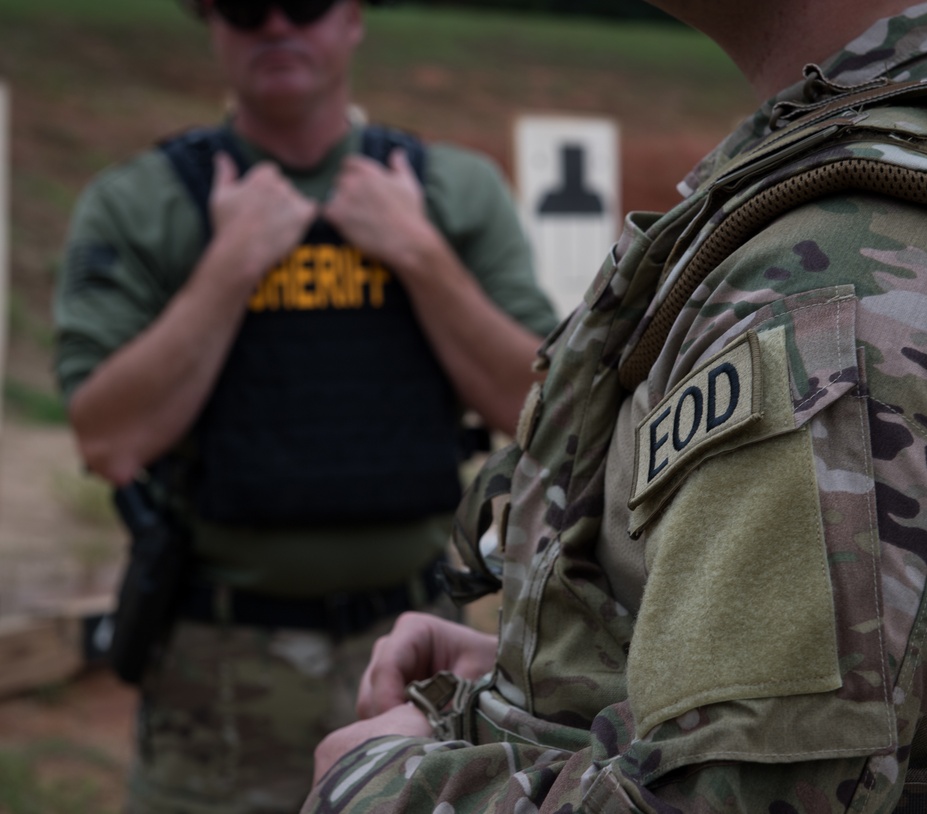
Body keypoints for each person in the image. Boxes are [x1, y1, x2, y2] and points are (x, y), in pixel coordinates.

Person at [302, 0, 927, 811]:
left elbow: (730, 798)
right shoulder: (881, 150)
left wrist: (376, 784)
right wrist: (556, 677)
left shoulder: (842, 270)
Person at [52, 0, 559, 811]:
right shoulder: (143, 204)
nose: (278, 24)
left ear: (353, 16)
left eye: (309, 3)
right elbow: (109, 439)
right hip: (218, 666)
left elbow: (545, 413)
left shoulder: (446, 192)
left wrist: (419, 254)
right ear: (210, 19)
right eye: (248, 6)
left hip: (416, 653)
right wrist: (231, 265)